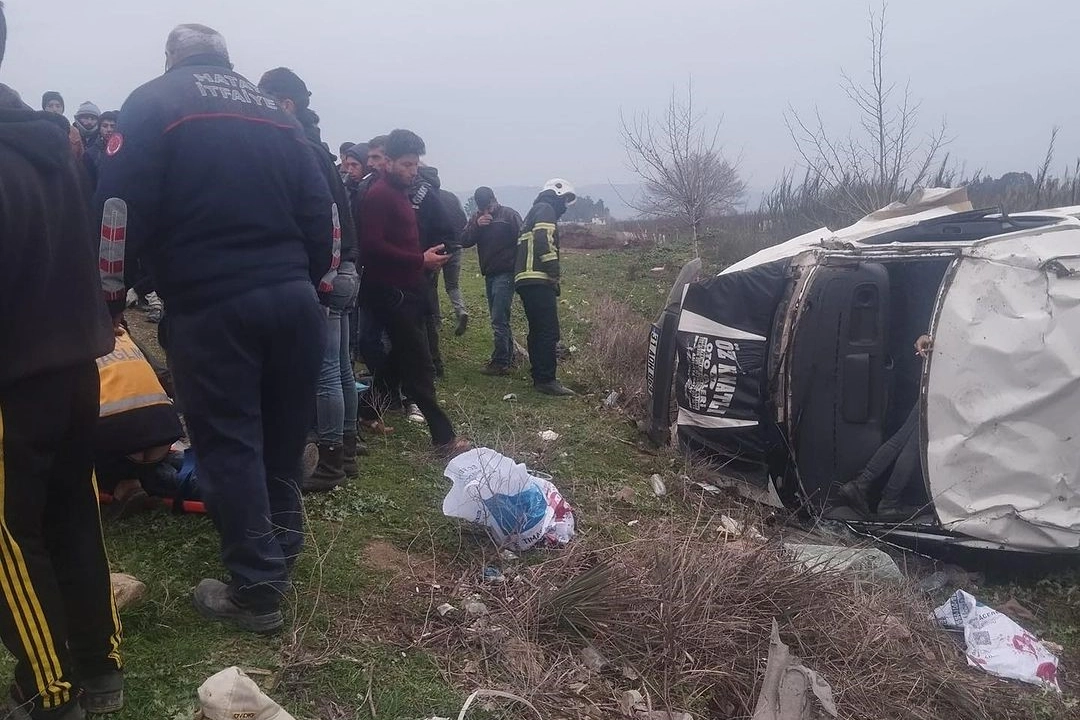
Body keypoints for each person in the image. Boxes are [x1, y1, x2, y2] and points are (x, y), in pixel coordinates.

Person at [95, 23, 333, 634]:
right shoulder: (277, 115)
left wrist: (111, 291)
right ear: (225, 58)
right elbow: (324, 212)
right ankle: (281, 552)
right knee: (281, 435)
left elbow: (117, 210)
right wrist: (307, 277)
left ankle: (256, 589)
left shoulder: (153, 102)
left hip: (212, 303)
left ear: (172, 57)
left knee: (229, 443)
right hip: (294, 299)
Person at [0, 4, 125, 716]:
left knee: (10, 539)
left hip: (13, 379)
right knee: (71, 511)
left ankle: (46, 690)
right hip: (74, 366)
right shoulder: (45, 146)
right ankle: (99, 667)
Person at [258, 67, 361, 490]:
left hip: (327, 271)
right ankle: (348, 454)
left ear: (286, 104)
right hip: (346, 268)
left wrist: (321, 272)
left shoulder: (300, 148)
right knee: (339, 368)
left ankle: (330, 464)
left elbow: (324, 218)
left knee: (323, 371)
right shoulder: (317, 147)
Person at [356, 129, 469, 453]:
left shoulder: (399, 192)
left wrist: (422, 258)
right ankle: (444, 439)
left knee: (397, 358)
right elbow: (372, 246)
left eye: (415, 164)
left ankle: (366, 412)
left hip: (409, 288)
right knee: (419, 365)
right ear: (388, 162)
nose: (412, 170)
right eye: (406, 164)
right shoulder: (379, 194)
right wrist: (419, 258)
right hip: (391, 292)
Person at [837, 335, 933, 519]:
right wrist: (929, 338)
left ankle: (863, 485)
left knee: (907, 438)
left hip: (942, 374)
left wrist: (928, 338)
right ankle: (887, 500)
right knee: (912, 441)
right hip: (948, 378)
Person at [95, 327, 183, 518]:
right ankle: (141, 478)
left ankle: (125, 485)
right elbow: (164, 375)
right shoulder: (122, 332)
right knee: (151, 464)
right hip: (164, 429)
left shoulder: (67, 344)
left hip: (119, 440)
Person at [516, 179, 577, 396]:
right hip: (538, 278)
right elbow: (544, 239)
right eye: (566, 200)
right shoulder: (546, 209)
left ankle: (539, 375)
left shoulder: (535, 210)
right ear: (557, 194)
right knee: (548, 331)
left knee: (537, 330)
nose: (566, 205)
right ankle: (546, 379)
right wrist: (553, 271)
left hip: (526, 279)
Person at [461, 187, 523, 375]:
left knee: (498, 318)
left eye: (488, 207)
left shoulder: (509, 215)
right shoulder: (476, 218)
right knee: (500, 318)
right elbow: (464, 241)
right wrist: (477, 226)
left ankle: (500, 362)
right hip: (489, 273)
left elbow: (524, 240)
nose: (486, 212)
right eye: (482, 209)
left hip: (506, 273)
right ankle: (508, 356)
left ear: (495, 200)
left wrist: (520, 270)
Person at [410, 165, 458, 383]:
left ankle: (429, 367)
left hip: (421, 260)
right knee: (427, 312)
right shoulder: (446, 197)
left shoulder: (421, 195)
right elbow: (456, 230)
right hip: (429, 260)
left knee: (420, 317)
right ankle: (433, 365)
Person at [74, 101, 103, 182]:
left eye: (93, 118)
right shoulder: (70, 136)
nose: (89, 122)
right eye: (86, 118)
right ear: (78, 118)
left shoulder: (103, 141)